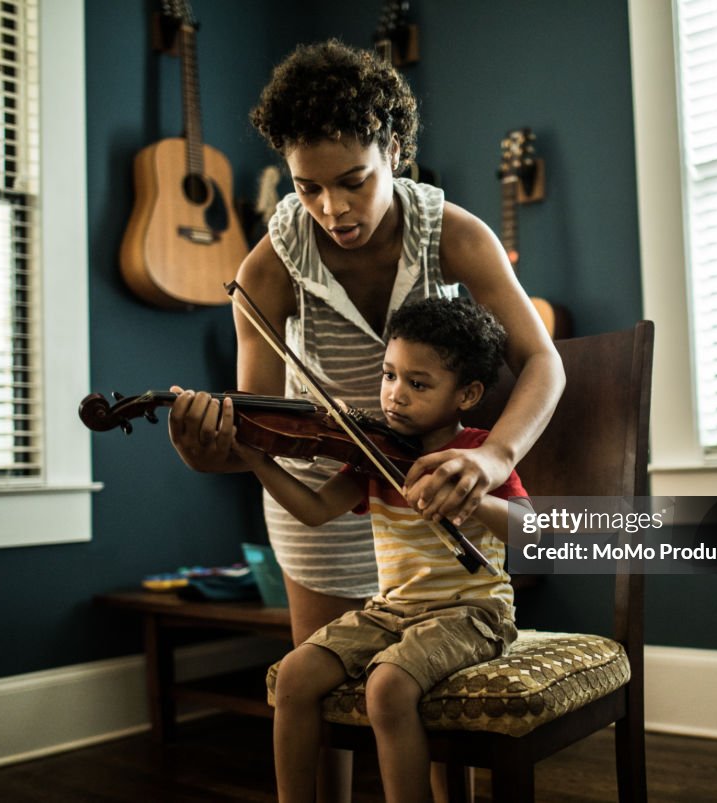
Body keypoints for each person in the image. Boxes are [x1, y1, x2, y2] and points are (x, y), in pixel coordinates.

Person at [167, 39, 564, 800]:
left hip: (437, 477)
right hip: (327, 487)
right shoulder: (265, 268)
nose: (333, 208)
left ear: (394, 148)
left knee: (426, 703)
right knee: (324, 707)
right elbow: (259, 429)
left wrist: (492, 456)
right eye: (308, 188)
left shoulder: (453, 232)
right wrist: (207, 448)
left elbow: (544, 362)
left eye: (353, 181)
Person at [235, 297, 538, 803]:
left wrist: (472, 496)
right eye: (389, 375)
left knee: (388, 686)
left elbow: (532, 531)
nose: (394, 395)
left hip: (472, 613)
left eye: (417, 384)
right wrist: (257, 461)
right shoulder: (372, 455)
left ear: (467, 394)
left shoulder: (479, 454)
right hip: (391, 610)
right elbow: (313, 510)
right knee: (294, 674)